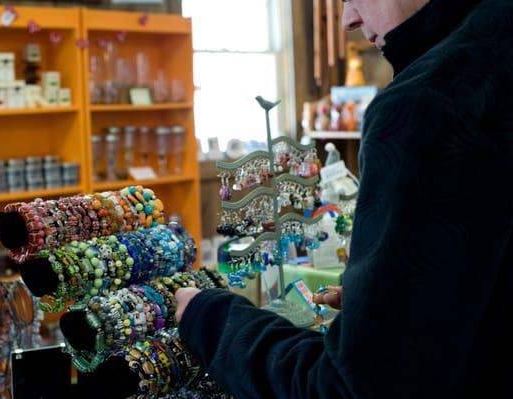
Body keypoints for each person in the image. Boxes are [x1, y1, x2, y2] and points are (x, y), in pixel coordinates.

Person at [174, 0, 513, 397]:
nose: (348, 20)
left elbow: (352, 389)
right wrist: (393, 297)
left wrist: (212, 319)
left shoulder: (425, 106)